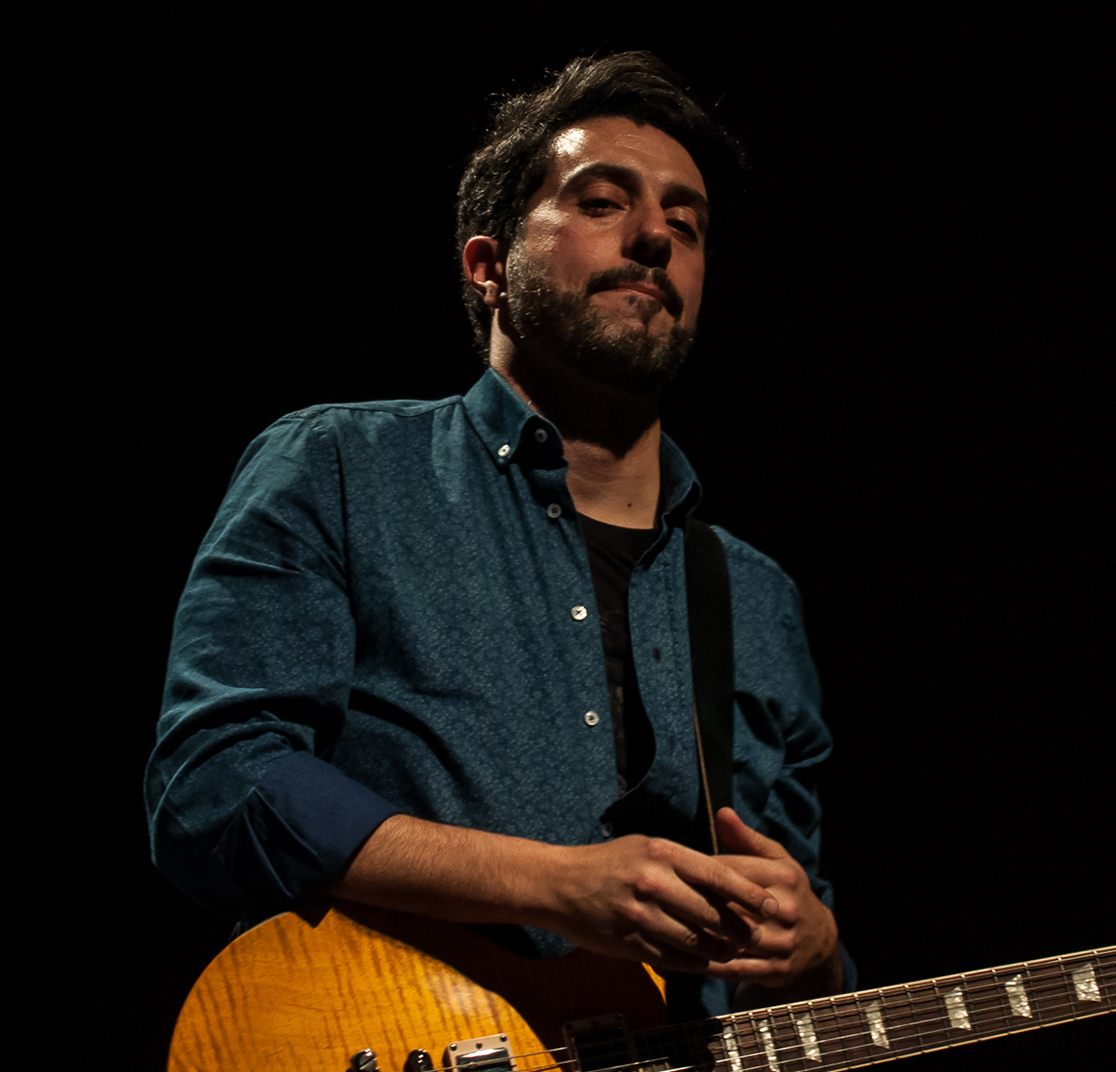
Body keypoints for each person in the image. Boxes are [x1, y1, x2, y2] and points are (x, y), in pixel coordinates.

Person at [146, 52, 848, 1016]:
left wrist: (817, 956)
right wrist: (552, 885)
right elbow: (216, 785)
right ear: (488, 269)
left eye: (686, 225)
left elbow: (791, 953)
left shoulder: (758, 600)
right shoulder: (341, 469)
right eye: (602, 202)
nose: (655, 236)